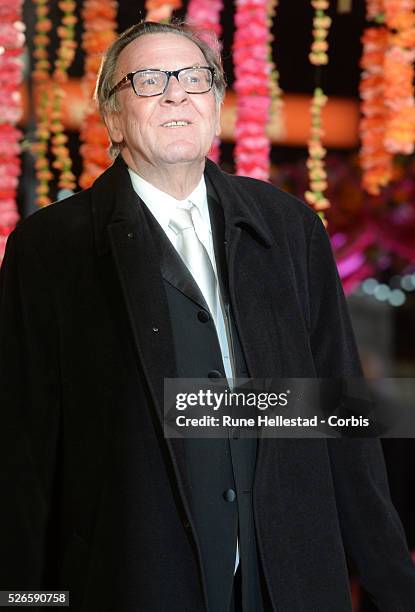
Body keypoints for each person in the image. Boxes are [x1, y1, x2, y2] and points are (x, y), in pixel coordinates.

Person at [1, 20, 415, 612]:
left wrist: (394, 590)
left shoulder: (288, 226)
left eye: (195, 78)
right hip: (134, 578)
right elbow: (25, 447)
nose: (176, 94)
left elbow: (339, 417)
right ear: (112, 118)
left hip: (290, 579)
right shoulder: (52, 247)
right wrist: (26, 599)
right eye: (148, 81)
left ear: (217, 105)